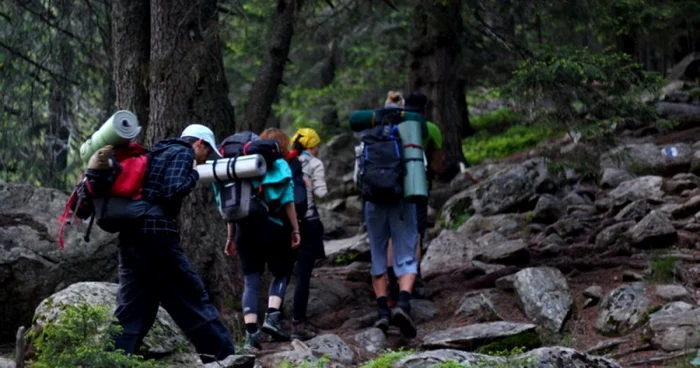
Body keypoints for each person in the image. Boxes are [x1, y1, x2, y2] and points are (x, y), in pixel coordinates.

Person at [111, 124, 236, 363]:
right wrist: (194, 174)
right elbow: (172, 190)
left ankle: (113, 360)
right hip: (156, 236)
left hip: (131, 236)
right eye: (207, 151)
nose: (206, 156)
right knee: (190, 294)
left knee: (134, 306)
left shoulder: (157, 152)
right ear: (199, 143)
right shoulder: (183, 153)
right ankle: (225, 358)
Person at [224, 127, 301, 351]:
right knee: (280, 272)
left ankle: (250, 333)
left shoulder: (239, 168)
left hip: (242, 231)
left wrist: (230, 236)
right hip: (273, 229)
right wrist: (296, 230)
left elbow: (233, 207)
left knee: (251, 279)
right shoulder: (280, 166)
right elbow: (288, 201)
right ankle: (272, 318)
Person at [361, 90, 419, 338]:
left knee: (377, 252)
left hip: (373, 203)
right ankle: (403, 304)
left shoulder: (368, 138)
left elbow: (359, 175)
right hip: (401, 202)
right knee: (405, 252)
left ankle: (383, 312)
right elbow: (419, 171)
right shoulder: (407, 137)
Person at [287, 128, 328, 340]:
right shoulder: (314, 163)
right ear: (312, 146)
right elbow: (321, 193)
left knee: (283, 274)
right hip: (309, 223)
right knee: (303, 275)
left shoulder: (286, 161)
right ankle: (298, 321)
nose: (318, 149)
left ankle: (273, 318)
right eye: (317, 145)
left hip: (286, 223)